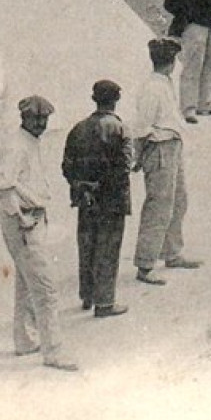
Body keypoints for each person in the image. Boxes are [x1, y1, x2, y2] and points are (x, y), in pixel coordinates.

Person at [0, 95, 79, 371]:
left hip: (31, 219)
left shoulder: (27, 142)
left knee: (27, 285)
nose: (41, 124)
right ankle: (53, 352)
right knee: (45, 289)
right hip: (24, 222)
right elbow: (3, 187)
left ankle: (26, 340)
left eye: (44, 119)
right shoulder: (16, 146)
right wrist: (21, 218)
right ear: (24, 118)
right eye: (35, 119)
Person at [131, 39, 202, 285]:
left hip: (172, 146)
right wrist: (138, 157)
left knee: (179, 200)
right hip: (159, 148)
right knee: (158, 206)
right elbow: (141, 127)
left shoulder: (163, 83)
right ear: (171, 63)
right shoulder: (153, 88)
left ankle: (172, 252)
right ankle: (145, 264)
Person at [62, 80, 133, 318]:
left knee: (87, 246)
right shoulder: (120, 129)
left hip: (85, 199)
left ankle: (87, 296)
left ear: (94, 99)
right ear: (116, 100)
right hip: (111, 202)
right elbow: (123, 167)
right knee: (107, 249)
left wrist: (83, 187)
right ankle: (105, 303)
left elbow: (67, 166)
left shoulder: (78, 128)